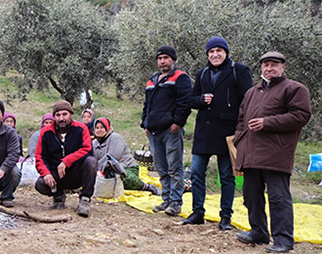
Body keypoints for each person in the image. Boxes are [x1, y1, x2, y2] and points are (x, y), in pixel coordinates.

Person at [233, 52, 311, 253]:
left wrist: (267, 123)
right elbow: (241, 119)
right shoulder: (252, 92)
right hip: (250, 153)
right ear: (261, 68)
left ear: (283, 67)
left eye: (274, 65)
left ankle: (283, 240)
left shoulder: (294, 89)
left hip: (276, 154)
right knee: (251, 195)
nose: (269, 68)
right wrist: (239, 140)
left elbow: (301, 115)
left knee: (278, 198)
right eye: (266, 65)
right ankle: (258, 232)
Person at [181, 37, 253, 230]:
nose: (215, 55)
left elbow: (248, 101)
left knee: (227, 176)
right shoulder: (202, 73)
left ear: (226, 52)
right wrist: (201, 100)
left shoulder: (239, 71)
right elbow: (190, 100)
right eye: (211, 52)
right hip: (203, 132)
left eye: (219, 51)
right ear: (207, 54)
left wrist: (242, 130)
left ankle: (226, 217)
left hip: (227, 134)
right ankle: (197, 213)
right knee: (196, 173)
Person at [141, 45, 192, 217]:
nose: (162, 61)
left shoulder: (180, 78)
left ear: (173, 60)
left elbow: (185, 102)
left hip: (171, 130)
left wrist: (178, 122)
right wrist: (145, 123)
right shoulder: (151, 81)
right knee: (161, 168)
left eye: (166, 58)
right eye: (160, 58)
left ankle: (176, 202)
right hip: (153, 132)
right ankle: (167, 199)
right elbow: (147, 105)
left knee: (174, 167)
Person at [34, 100, 97, 217]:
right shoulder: (46, 132)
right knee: (40, 184)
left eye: (64, 114)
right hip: (56, 176)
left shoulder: (81, 129)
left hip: (76, 173)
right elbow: (39, 157)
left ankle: (85, 199)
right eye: (58, 115)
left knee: (91, 162)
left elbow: (87, 149)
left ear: (71, 114)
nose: (61, 118)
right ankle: (58, 196)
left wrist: (66, 161)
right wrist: (46, 174)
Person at [92, 117, 161, 195]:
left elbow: (112, 157)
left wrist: (97, 168)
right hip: (105, 169)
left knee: (120, 178)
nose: (99, 130)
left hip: (126, 167)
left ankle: (146, 187)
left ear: (107, 128)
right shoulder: (94, 143)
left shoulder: (116, 138)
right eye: (97, 128)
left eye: (102, 127)